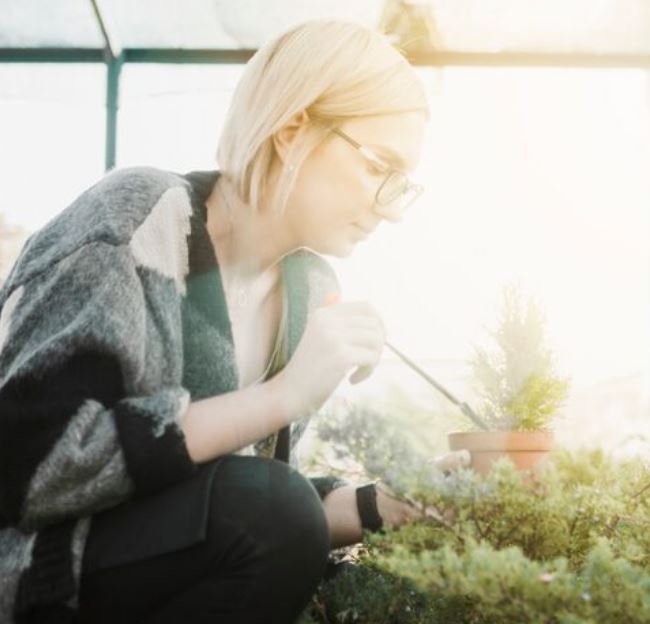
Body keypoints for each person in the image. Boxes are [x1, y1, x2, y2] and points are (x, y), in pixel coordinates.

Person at [0, 18, 467, 624]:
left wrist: (387, 504)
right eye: (380, 165)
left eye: (402, 184)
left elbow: (239, 520)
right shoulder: (137, 220)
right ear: (294, 130)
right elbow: (26, 463)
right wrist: (282, 395)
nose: (392, 208)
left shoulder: (308, 292)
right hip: (38, 581)